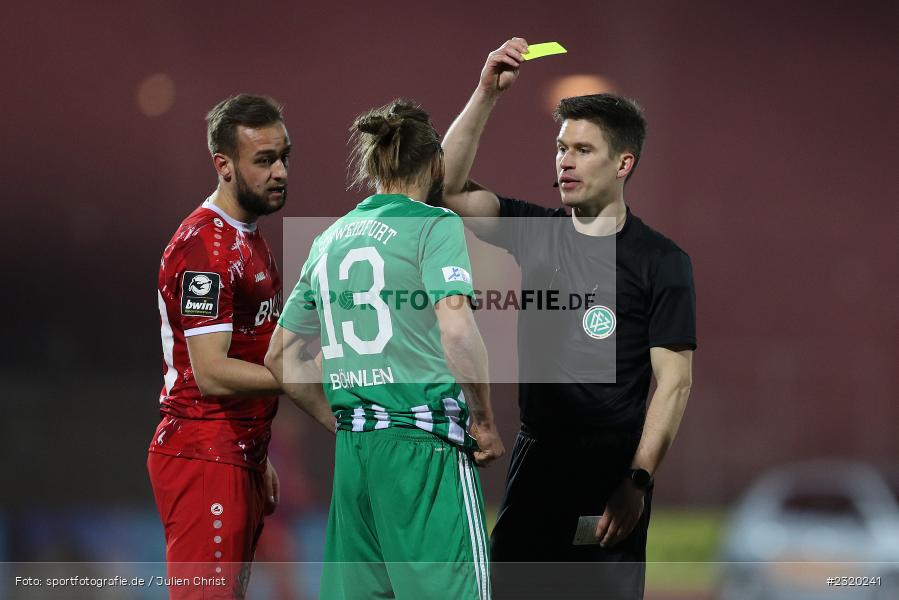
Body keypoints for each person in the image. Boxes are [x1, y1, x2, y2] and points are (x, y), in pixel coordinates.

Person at [438, 38, 697, 599]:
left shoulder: (663, 261)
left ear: (623, 163)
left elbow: (674, 384)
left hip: (611, 472)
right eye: (561, 148)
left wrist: (637, 481)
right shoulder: (537, 232)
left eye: (582, 149)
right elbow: (448, 188)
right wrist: (485, 93)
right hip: (537, 461)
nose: (564, 160)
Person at [266, 98, 504, 600]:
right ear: (436, 163)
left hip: (356, 458)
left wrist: (343, 418)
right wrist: (482, 420)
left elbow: (282, 357)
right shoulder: (434, 225)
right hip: (424, 454)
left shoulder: (328, 240)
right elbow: (457, 330)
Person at [148, 94, 333, 599]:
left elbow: (248, 352)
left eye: (284, 157)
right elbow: (211, 372)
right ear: (223, 166)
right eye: (264, 160)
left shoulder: (249, 238)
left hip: (236, 453)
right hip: (204, 454)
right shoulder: (204, 249)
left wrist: (258, 452)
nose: (280, 172)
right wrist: (305, 377)